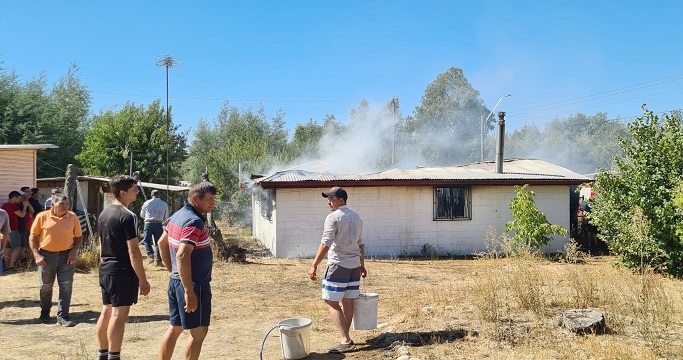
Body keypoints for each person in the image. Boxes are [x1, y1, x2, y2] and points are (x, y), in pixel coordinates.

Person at [157, 181, 217, 360]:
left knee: (175, 327)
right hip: (194, 285)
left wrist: (172, 271)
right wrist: (189, 291)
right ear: (195, 199)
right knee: (198, 334)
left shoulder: (178, 215)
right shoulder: (194, 221)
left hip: (177, 282)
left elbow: (162, 243)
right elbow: (182, 255)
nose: (212, 203)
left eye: (214, 199)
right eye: (209, 199)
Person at [95, 175, 150, 360]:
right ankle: (113, 355)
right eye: (134, 188)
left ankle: (102, 354)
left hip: (106, 267)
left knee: (107, 310)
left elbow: (101, 244)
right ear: (123, 192)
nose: (137, 191)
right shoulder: (128, 216)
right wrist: (142, 279)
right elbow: (133, 251)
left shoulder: (104, 213)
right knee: (119, 314)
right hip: (122, 270)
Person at [308, 186, 366, 354]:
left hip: (338, 265)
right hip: (354, 265)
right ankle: (346, 338)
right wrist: (362, 265)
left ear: (342, 200)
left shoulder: (333, 217)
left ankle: (345, 340)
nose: (329, 202)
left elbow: (326, 243)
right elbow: (360, 244)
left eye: (332, 199)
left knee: (331, 301)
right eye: (328, 199)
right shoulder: (357, 218)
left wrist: (314, 264)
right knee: (348, 301)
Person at [28, 193, 83, 326]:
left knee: (66, 286)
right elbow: (33, 237)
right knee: (46, 286)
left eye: (67, 204)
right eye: (61, 204)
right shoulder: (42, 217)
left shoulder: (73, 217)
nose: (65, 206)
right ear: (52, 205)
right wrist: (37, 255)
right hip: (46, 256)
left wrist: (73, 252)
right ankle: (45, 311)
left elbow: (79, 237)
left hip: (66, 257)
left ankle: (63, 316)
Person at [1, 191, 29, 271]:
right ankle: (11, 265)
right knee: (17, 247)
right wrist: (25, 206)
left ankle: (6, 266)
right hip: (13, 229)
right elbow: (22, 215)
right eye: (19, 198)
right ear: (14, 198)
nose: (20, 200)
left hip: (4, 229)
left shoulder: (4, 206)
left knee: (7, 248)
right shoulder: (13, 206)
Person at [140, 189, 169, 265]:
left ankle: (150, 255)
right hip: (159, 224)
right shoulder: (164, 204)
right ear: (159, 195)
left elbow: (142, 214)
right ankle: (158, 260)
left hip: (148, 223)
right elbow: (166, 217)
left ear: (151, 195)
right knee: (158, 242)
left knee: (146, 240)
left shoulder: (146, 203)